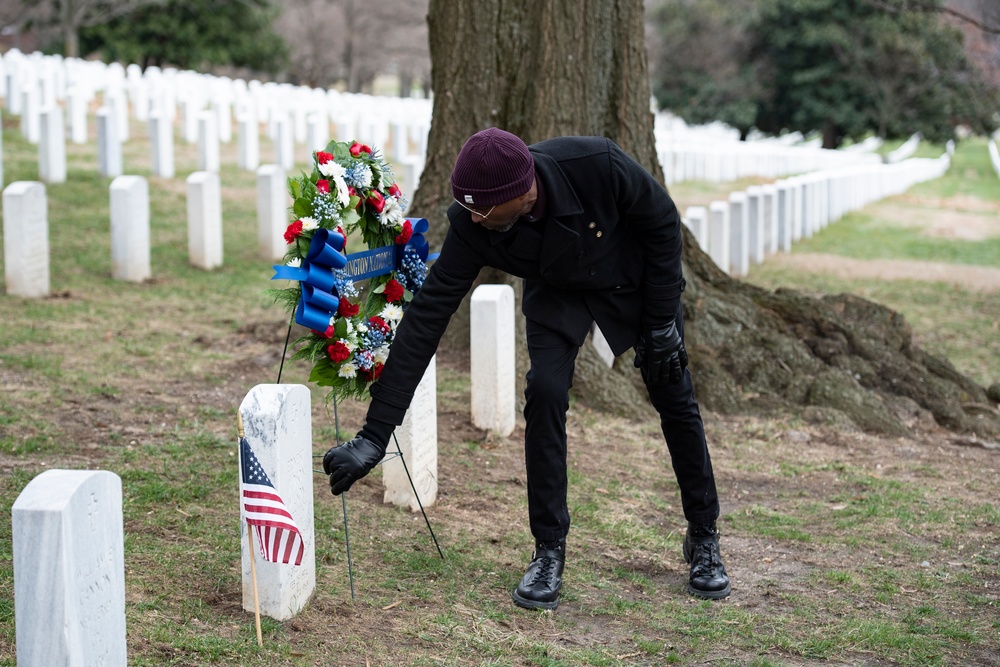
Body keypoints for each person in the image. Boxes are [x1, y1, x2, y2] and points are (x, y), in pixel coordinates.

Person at [323, 128, 730, 609]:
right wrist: (374, 434)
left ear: (524, 191)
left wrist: (662, 322)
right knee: (545, 392)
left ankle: (704, 535)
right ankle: (548, 550)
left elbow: (663, 222)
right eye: (468, 209)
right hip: (557, 294)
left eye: (482, 210)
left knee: (674, 394)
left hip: (634, 286)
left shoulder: (597, 164)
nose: (472, 218)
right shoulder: (476, 223)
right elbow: (428, 316)